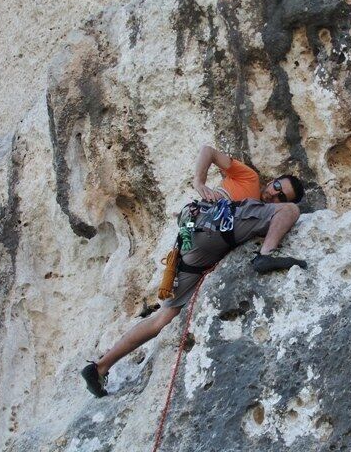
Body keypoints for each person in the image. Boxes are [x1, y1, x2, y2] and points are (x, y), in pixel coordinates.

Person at [81, 145, 307, 397]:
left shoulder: (257, 211)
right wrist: (199, 182)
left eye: (281, 198)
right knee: (292, 212)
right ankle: (265, 256)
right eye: (277, 188)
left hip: (192, 244)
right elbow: (208, 151)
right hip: (213, 223)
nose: (274, 197)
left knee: (163, 318)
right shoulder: (250, 179)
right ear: (272, 181)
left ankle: (100, 367)